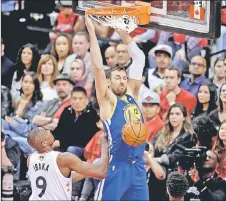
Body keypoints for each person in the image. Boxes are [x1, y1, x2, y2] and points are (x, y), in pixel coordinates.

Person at [85, 16, 148, 200]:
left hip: (137, 168)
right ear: (109, 81)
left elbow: (139, 57)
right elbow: (97, 67)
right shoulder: (108, 100)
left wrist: (119, 28)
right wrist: (92, 32)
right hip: (117, 167)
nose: (122, 81)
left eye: (124, 77)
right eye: (117, 78)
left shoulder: (132, 93)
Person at [27, 127, 109, 200]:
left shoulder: (31, 158)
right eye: (45, 132)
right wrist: (104, 144)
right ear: (44, 143)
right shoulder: (62, 158)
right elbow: (101, 172)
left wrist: (87, 171)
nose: (48, 131)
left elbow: (59, 178)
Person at [149, 103, 196, 201]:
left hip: (175, 177)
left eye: (177, 114)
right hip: (156, 175)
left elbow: (176, 156)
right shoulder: (162, 133)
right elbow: (152, 147)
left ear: (184, 117)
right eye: (172, 114)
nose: (174, 117)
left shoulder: (189, 136)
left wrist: (156, 159)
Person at [53, 86, 99, 157]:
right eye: (74, 98)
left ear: (86, 100)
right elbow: (59, 130)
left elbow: (83, 139)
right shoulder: (67, 110)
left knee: (71, 150)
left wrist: (61, 143)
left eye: (80, 99)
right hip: (63, 145)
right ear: (71, 100)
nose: (77, 102)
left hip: (81, 148)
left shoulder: (91, 114)